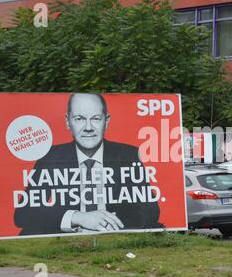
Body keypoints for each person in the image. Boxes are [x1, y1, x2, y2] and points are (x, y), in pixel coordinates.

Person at [14, 93, 163, 235]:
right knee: (27, 232)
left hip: (115, 232)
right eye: (79, 119)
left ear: (107, 121)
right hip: (66, 235)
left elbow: (151, 211)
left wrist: (106, 222)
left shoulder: (128, 155)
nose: (88, 127)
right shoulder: (50, 157)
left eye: (96, 119)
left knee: (157, 229)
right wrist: (77, 217)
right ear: (68, 121)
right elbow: (23, 214)